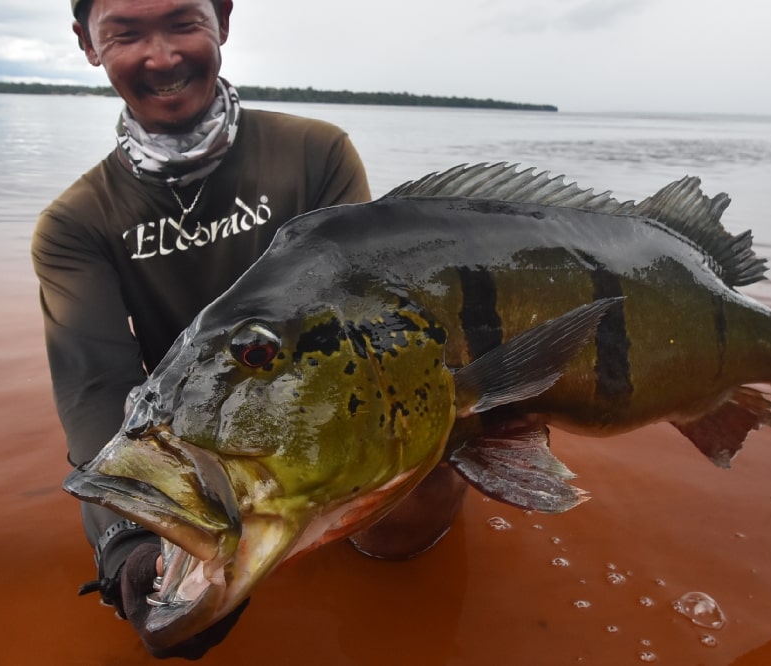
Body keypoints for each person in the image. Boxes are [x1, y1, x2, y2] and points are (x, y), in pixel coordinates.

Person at [32, 0, 465, 658]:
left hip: (321, 414)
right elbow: (96, 385)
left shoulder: (315, 153)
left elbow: (369, 327)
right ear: (87, 44)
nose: (161, 55)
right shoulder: (77, 223)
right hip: (199, 431)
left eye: (183, 22)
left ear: (224, 21)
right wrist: (127, 541)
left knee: (406, 519)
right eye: (126, 33)